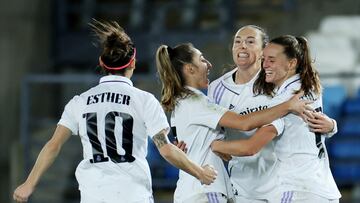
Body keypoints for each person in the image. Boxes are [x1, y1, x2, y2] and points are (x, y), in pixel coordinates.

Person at [12, 20, 218, 203]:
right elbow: (165, 149)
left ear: (102, 63)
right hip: (132, 195)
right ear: (133, 63)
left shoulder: (79, 102)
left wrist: (29, 184)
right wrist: (201, 173)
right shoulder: (144, 100)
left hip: (93, 195)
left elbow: (53, 146)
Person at [155, 43, 309, 203]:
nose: (208, 64)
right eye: (201, 59)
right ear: (190, 69)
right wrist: (288, 106)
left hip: (191, 191)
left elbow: (210, 148)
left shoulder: (183, 102)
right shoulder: (196, 102)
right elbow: (245, 123)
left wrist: (220, 147)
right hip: (206, 190)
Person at [208, 25, 338, 203]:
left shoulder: (279, 89)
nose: (242, 46)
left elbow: (249, 139)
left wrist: (212, 145)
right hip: (248, 185)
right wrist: (331, 126)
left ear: (264, 49)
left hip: (288, 186)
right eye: (237, 41)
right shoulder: (304, 84)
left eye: (250, 41)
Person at [253, 35, 341, 202]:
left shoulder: (284, 100)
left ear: (292, 63)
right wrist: (332, 126)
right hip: (323, 188)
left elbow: (250, 137)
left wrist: (217, 144)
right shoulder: (310, 86)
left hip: (297, 188)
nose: (264, 65)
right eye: (264, 59)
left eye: (271, 60)